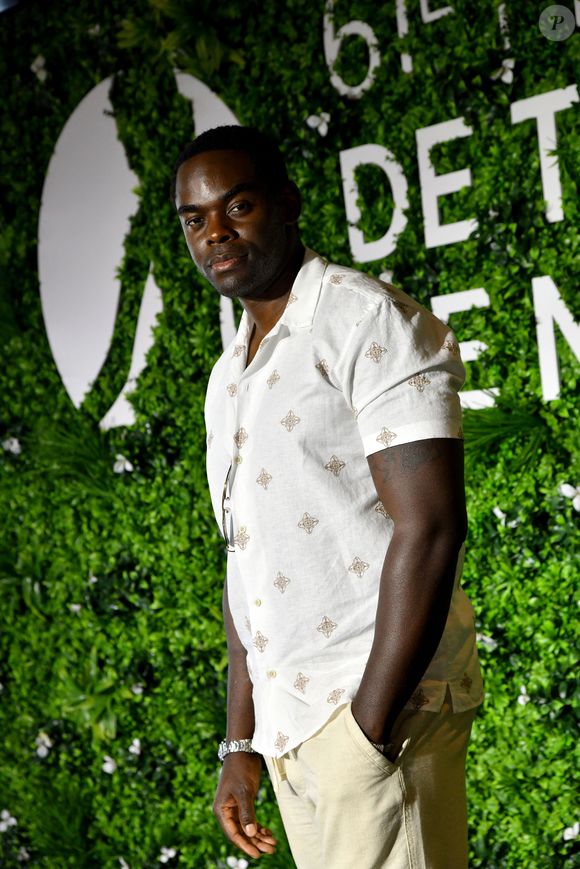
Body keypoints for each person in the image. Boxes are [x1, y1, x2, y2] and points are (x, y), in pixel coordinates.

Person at [172, 125, 483, 869]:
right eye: (194, 218)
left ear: (287, 203)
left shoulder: (365, 319)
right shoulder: (229, 375)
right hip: (293, 733)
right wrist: (242, 741)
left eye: (237, 206)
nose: (215, 233)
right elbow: (246, 560)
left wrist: (366, 729)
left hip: (378, 718)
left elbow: (433, 527)